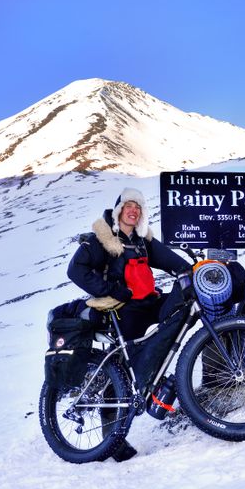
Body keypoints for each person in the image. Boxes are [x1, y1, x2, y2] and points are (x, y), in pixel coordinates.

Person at [67, 187, 190, 461]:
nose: (133, 210)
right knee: (122, 372)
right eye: (128, 205)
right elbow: (76, 270)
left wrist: (190, 271)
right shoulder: (104, 239)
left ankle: (152, 375)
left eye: (138, 207)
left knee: (182, 303)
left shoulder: (142, 240)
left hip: (147, 304)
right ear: (119, 209)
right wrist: (110, 289)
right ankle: (113, 440)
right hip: (123, 309)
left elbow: (170, 260)